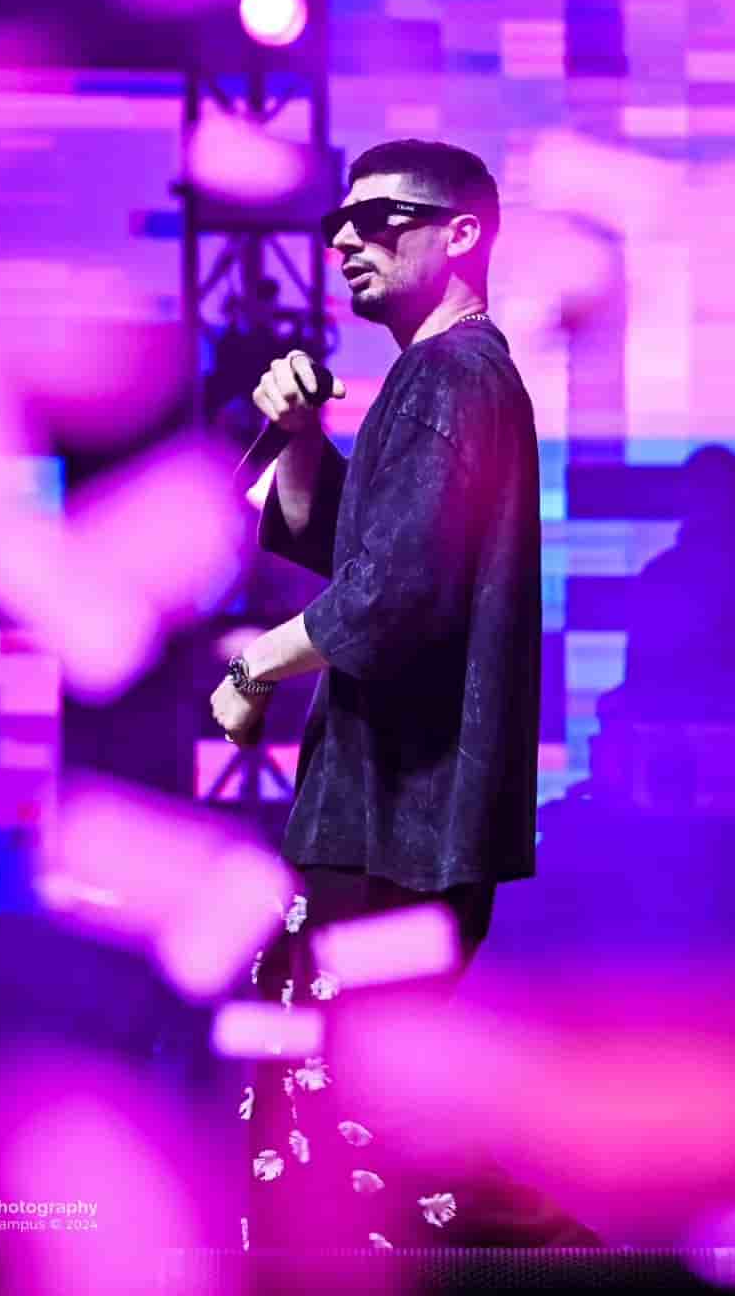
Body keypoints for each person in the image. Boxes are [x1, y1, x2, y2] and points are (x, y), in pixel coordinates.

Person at [207, 139, 601, 1255]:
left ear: (461, 232)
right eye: (340, 223)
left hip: (398, 826)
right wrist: (297, 438)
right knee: (334, 1089)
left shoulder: (450, 378)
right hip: (395, 821)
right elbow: (354, 552)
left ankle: (568, 1265)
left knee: (325, 1093)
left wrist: (250, 669)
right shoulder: (443, 381)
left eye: (379, 219)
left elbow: (387, 600)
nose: (344, 242)